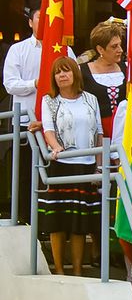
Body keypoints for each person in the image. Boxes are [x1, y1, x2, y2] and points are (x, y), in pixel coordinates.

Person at [3, 3, 75, 224]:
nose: (44, 23)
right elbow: (10, 84)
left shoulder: (65, 50)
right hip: (28, 122)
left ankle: (52, 222)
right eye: (38, 19)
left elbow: (77, 79)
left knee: (57, 171)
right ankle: (25, 217)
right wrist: (37, 83)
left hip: (61, 122)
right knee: (26, 171)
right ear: (30, 22)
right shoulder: (18, 50)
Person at [39, 57, 103, 276]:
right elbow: (48, 129)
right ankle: (59, 270)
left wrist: (99, 167)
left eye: (66, 71)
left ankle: (77, 271)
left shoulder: (91, 99)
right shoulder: (49, 100)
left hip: (86, 166)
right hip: (61, 165)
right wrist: (57, 147)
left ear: (75, 74)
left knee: (80, 222)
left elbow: (99, 132)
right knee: (57, 221)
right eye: (58, 72)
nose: (62, 75)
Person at [79, 20, 126, 139]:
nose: (120, 50)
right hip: (95, 131)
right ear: (100, 49)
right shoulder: (82, 71)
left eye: (120, 45)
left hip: (125, 130)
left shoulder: (127, 68)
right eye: (114, 46)